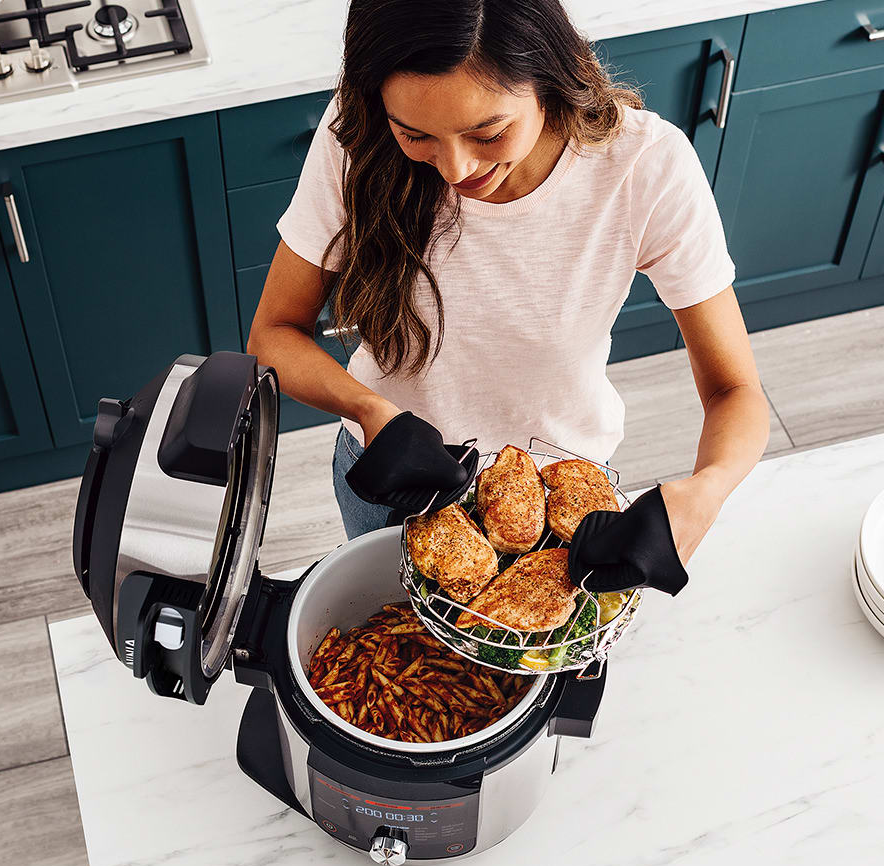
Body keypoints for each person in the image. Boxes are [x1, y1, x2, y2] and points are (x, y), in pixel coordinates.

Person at [246, 0, 769, 594]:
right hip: (395, 476)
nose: (455, 168)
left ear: (551, 77)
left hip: (561, 496)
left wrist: (706, 491)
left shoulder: (642, 166)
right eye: (415, 136)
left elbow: (736, 391)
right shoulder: (358, 135)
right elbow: (273, 336)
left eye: (487, 133)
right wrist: (373, 412)